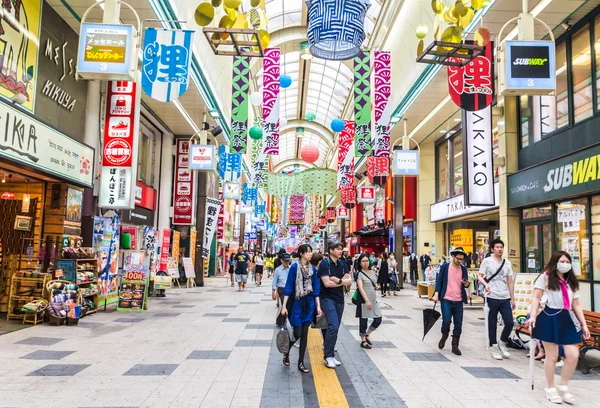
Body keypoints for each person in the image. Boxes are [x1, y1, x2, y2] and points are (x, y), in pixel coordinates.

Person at [529, 251, 590, 404]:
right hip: (551, 316)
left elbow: (576, 304)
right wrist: (533, 316)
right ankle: (550, 388)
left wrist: (584, 324)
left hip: (566, 318)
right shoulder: (546, 277)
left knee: (573, 354)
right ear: (555, 262)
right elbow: (536, 296)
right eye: (562, 261)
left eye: (568, 261)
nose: (565, 264)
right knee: (552, 356)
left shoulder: (571, 281)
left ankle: (563, 384)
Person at [280, 245, 322, 373]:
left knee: (305, 334)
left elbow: (316, 289)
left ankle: (301, 362)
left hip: (309, 304)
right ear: (302, 253)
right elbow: (289, 286)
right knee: (297, 333)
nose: (310, 254)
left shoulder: (313, 270)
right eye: (308, 252)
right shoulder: (294, 267)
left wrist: (318, 306)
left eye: (311, 252)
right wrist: (284, 306)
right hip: (298, 303)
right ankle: (286, 351)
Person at [477, 238, 516, 360]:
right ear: (492, 249)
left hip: (504, 297)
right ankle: (494, 346)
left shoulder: (507, 263)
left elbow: (510, 281)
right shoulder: (487, 261)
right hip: (491, 296)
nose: (500, 249)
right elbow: (479, 276)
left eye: (501, 247)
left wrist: (512, 299)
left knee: (509, 322)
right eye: (497, 247)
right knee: (492, 323)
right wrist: (486, 284)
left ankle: (502, 342)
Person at [318, 241, 352, 369]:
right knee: (334, 325)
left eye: (341, 249)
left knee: (331, 327)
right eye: (337, 249)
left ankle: (330, 355)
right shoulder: (324, 264)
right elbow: (326, 283)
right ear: (331, 250)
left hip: (339, 298)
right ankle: (328, 356)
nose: (340, 251)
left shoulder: (342, 263)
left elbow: (349, 281)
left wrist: (337, 280)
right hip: (326, 298)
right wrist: (342, 282)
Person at [432, 247, 470, 356]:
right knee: (446, 321)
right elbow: (439, 281)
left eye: (461, 259)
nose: (459, 261)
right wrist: (436, 294)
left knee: (458, 324)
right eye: (458, 258)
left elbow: (467, 284)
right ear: (453, 256)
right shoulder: (445, 267)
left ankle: (455, 345)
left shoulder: (463, 269)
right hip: (446, 299)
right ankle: (444, 335)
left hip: (458, 300)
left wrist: (465, 283)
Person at [355, 253, 382, 349]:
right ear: (360, 263)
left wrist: (376, 286)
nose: (365, 263)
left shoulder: (373, 272)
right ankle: (363, 341)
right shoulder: (359, 274)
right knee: (363, 321)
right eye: (363, 261)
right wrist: (366, 300)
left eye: (367, 261)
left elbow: (375, 283)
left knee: (378, 319)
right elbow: (361, 288)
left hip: (373, 300)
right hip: (364, 299)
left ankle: (367, 334)